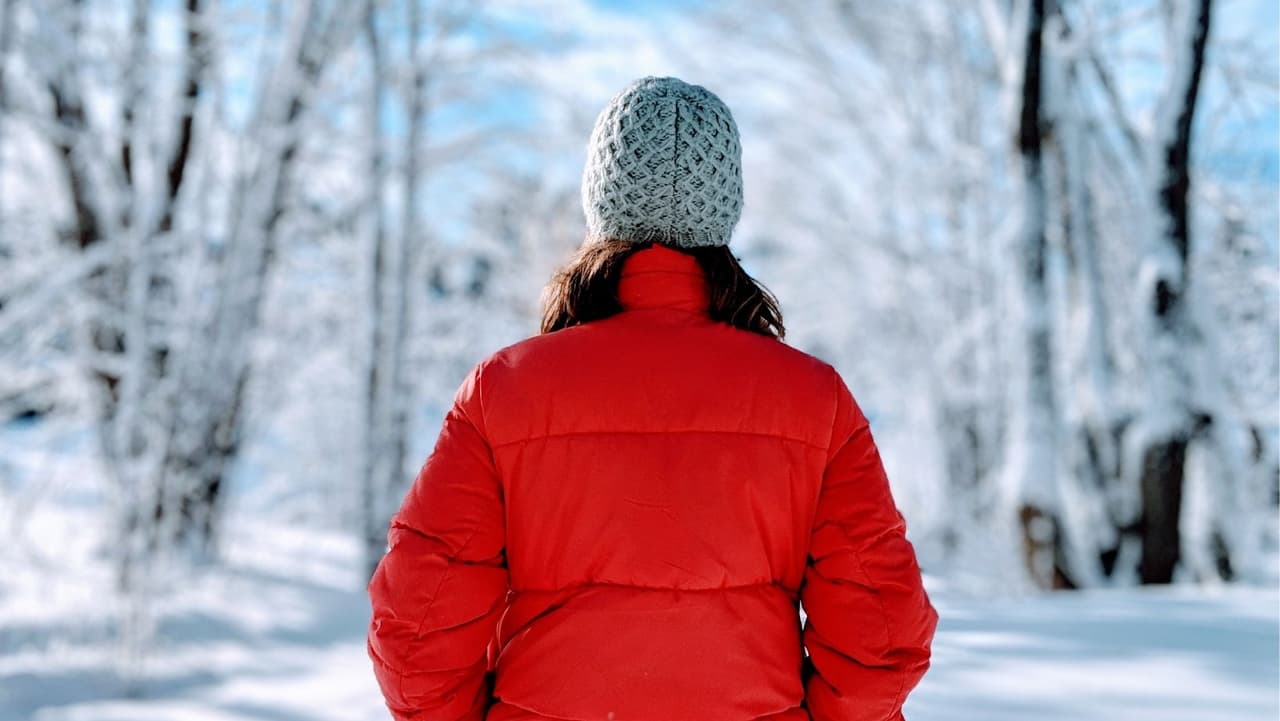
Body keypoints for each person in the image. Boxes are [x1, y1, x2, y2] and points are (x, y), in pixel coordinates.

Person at [366, 75, 938, 721]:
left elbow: (416, 627)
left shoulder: (503, 390)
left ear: (601, 202)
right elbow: (881, 631)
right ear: (723, 207)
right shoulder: (816, 401)